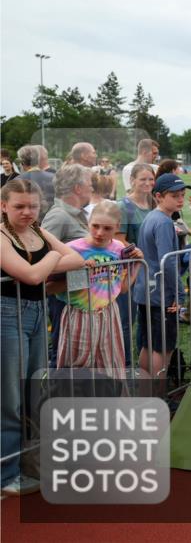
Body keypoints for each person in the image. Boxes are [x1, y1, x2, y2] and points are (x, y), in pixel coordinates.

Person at [1, 179, 84, 495]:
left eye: (33, 206)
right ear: (3, 206)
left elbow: (75, 258)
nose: (27, 212)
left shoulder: (37, 231)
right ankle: (6, 473)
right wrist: (50, 261)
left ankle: (27, 464)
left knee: (33, 388)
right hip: (7, 315)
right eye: (19, 206)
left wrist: (45, 261)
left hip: (36, 314)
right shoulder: (1, 236)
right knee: (9, 396)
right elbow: (32, 274)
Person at [57, 201, 142, 379]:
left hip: (109, 314)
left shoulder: (119, 249)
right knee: (75, 370)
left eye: (107, 228)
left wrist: (136, 264)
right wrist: (80, 273)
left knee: (111, 368)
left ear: (117, 227)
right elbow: (50, 288)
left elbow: (124, 288)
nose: (100, 233)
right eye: (95, 226)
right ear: (88, 222)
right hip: (78, 315)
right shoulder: (72, 249)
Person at [132, 174, 191, 390]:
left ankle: (145, 392)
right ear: (158, 196)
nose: (180, 200)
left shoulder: (151, 217)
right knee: (163, 348)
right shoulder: (164, 222)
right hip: (161, 294)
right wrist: (179, 293)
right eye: (174, 196)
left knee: (148, 344)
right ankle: (158, 395)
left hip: (146, 290)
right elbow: (167, 262)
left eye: (182, 195)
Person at [41, 163, 93, 366]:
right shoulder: (59, 216)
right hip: (63, 299)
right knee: (63, 355)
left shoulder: (75, 214)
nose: (92, 188)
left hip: (76, 296)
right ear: (78, 188)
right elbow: (42, 257)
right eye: (89, 183)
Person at [115, 163, 157, 367]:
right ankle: (124, 365)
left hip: (150, 270)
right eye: (143, 179)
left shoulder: (153, 204)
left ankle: (143, 363)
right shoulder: (123, 207)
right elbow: (118, 241)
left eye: (151, 179)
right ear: (132, 181)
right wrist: (141, 251)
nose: (148, 183)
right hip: (130, 272)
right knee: (126, 320)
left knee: (146, 318)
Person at [16, 145, 55, 216]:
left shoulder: (17, 181)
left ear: (22, 162)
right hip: (52, 219)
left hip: (28, 221)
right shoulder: (54, 177)